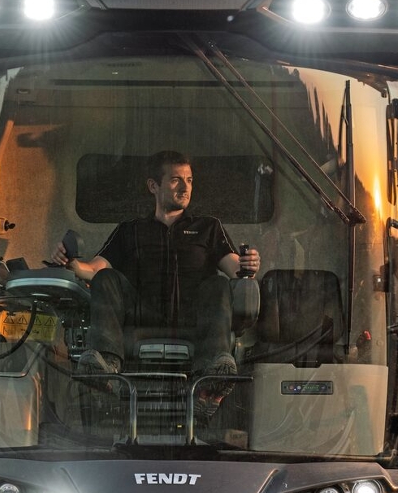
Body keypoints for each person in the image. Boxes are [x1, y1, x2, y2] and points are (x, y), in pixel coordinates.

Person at [51, 150, 261, 377]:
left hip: (194, 313)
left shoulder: (208, 227)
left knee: (218, 284)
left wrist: (249, 264)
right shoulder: (130, 230)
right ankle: (107, 365)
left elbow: (236, 269)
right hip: (141, 311)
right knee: (106, 277)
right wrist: (71, 264)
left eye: (189, 180)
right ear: (153, 186)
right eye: (175, 180)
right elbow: (94, 269)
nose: (185, 187)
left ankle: (213, 374)